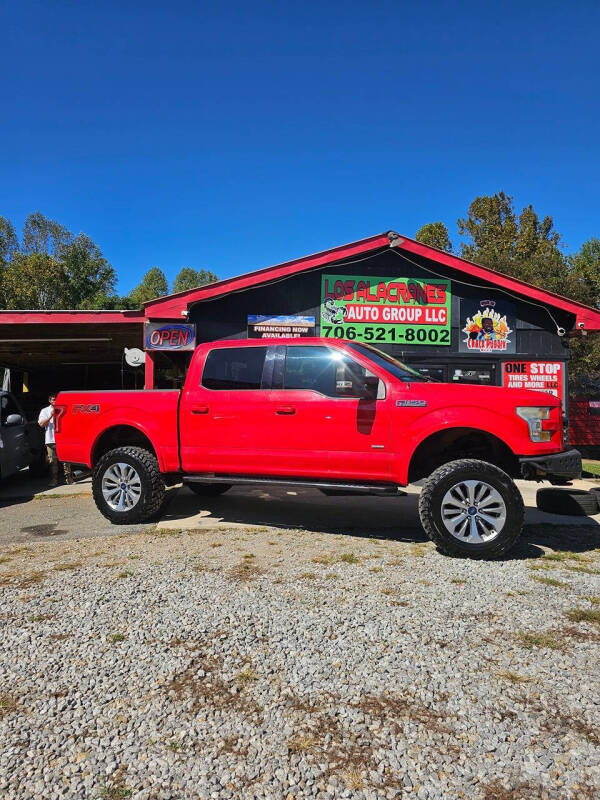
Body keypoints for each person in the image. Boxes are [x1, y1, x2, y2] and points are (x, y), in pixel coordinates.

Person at [38, 393, 73, 486]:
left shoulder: (64, 409)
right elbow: (41, 424)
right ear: (50, 400)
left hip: (63, 439)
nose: (55, 401)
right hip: (50, 439)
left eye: (56, 399)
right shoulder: (45, 410)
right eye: (53, 400)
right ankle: (54, 480)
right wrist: (50, 415)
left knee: (66, 460)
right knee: (52, 461)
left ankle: (68, 479)